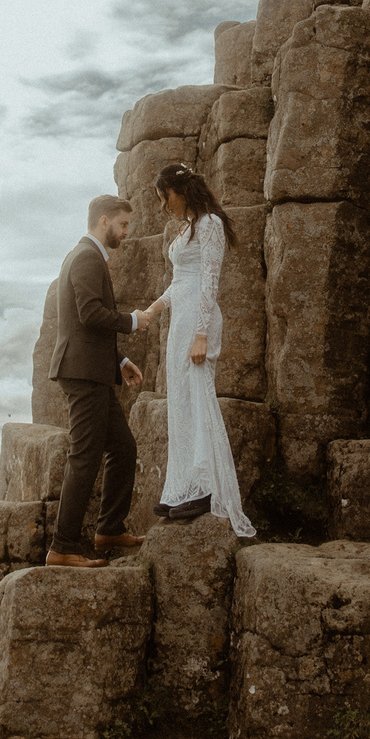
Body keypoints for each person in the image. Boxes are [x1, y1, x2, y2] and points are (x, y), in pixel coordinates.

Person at [138, 163, 256, 537]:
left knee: (198, 396)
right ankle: (182, 488)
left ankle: (207, 488)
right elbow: (180, 281)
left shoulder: (210, 225)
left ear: (181, 191)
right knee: (181, 401)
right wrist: (155, 309)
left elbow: (209, 280)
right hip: (180, 320)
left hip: (199, 321)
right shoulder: (187, 228)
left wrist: (202, 333)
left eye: (165, 198)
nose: (163, 206)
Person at [41, 194, 149, 566]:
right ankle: (63, 547)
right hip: (83, 374)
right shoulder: (87, 257)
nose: (126, 232)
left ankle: (109, 529)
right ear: (104, 222)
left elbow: (80, 323)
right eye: (123, 224)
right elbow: (89, 314)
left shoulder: (84, 256)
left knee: (123, 448)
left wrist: (119, 360)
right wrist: (132, 321)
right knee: (84, 458)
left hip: (94, 370)